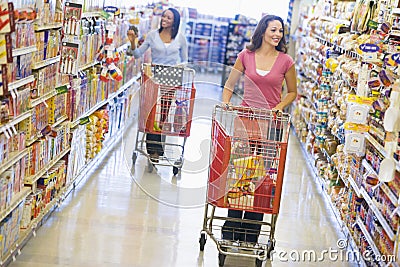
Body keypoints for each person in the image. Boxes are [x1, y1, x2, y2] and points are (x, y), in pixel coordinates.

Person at [221, 14, 297, 244]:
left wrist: (279, 106)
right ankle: (231, 226)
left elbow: (292, 92)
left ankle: (251, 232)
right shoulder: (246, 56)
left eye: (280, 31)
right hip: (245, 122)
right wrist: (226, 103)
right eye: (273, 30)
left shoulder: (286, 61)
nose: (277, 35)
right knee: (239, 175)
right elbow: (230, 84)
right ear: (262, 30)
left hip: (270, 126)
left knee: (262, 179)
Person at [127, 7, 188, 162]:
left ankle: (157, 149)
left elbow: (186, 61)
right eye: (163, 16)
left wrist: (179, 68)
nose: (164, 20)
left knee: (163, 116)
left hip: (171, 80)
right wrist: (133, 41)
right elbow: (137, 54)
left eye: (168, 18)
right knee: (152, 114)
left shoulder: (181, 38)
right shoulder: (153, 35)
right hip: (153, 80)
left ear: (175, 22)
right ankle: (153, 151)